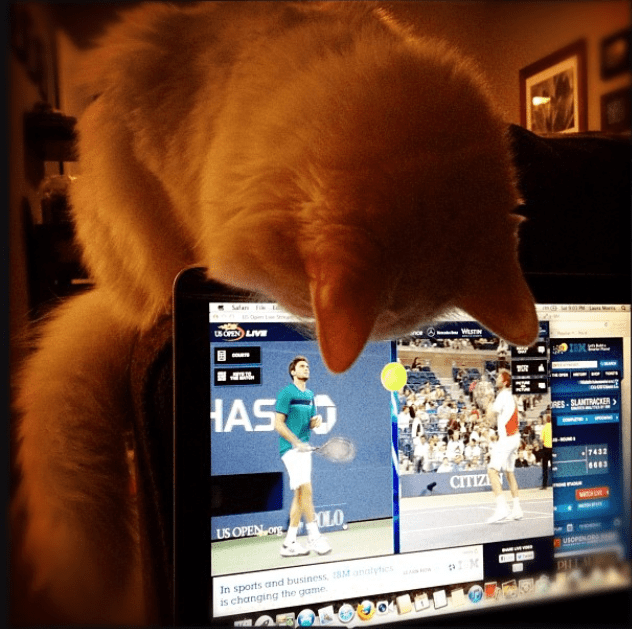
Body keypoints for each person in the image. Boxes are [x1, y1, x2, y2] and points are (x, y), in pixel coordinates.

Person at [274, 356, 331, 557]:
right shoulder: (286, 393)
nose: (306, 369)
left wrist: (315, 421)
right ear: (293, 372)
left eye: (307, 366)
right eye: (301, 366)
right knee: (306, 490)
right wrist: (296, 442)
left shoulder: (310, 394)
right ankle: (314, 536)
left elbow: (309, 423)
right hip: (290, 449)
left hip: (304, 449)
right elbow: (278, 424)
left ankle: (289, 543)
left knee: (300, 495)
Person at [484, 370, 523, 523]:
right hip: (515, 438)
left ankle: (502, 508)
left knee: (492, 471)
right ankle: (517, 509)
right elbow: (498, 420)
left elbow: (490, 417)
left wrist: (488, 401)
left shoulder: (503, 395)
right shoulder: (510, 395)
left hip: (507, 439)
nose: (497, 379)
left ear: (505, 382)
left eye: (499, 377)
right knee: (509, 473)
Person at [540, 413, 553, 489]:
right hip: (553, 449)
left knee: (545, 467)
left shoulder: (544, 428)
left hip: (546, 448)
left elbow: (541, 440)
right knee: (554, 467)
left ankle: (544, 485)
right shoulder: (553, 427)